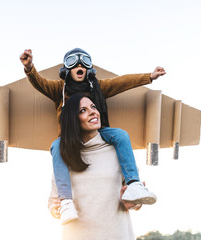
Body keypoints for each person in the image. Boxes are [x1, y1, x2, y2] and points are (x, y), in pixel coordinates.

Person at [20, 48, 165, 225]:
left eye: (84, 63)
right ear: (67, 69)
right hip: (70, 137)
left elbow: (122, 82)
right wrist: (29, 68)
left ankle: (134, 184)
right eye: (74, 62)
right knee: (57, 146)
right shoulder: (60, 89)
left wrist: (149, 76)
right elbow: (39, 83)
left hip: (99, 131)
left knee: (120, 135)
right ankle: (66, 201)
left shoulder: (97, 87)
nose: (79, 65)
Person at [48, 93, 141, 240]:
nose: (93, 111)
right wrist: (55, 209)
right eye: (82, 110)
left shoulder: (118, 150)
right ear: (72, 120)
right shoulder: (63, 157)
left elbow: (134, 201)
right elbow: (53, 200)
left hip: (117, 234)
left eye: (93, 107)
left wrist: (134, 202)